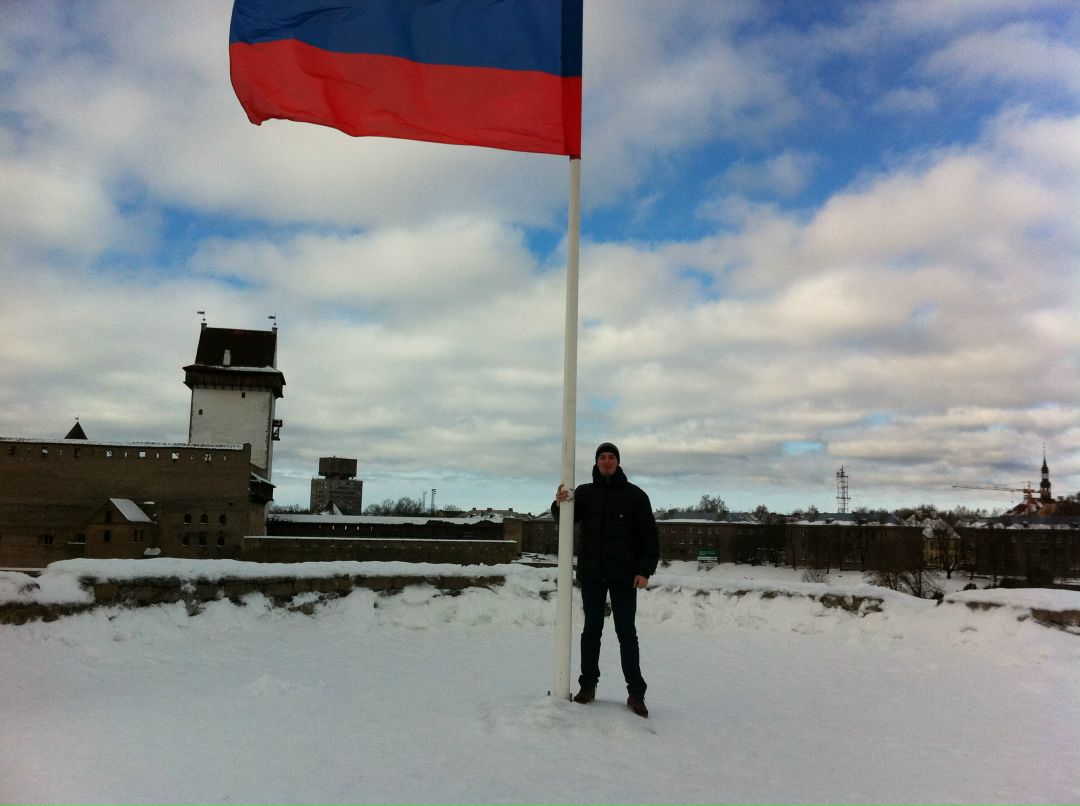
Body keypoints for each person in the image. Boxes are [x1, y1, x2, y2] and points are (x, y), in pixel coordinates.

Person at [553, 442, 660, 718]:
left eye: (611, 457)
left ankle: (636, 693)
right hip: (592, 574)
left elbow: (649, 537)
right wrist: (559, 503)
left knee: (626, 633)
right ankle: (587, 686)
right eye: (602, 457)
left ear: (618, 462)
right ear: (597, 462)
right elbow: (565, 520)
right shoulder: (585, 493)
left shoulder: (635, 496)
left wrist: (644, 570)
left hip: (625, 576)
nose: (607, 461)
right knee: (591, 631)